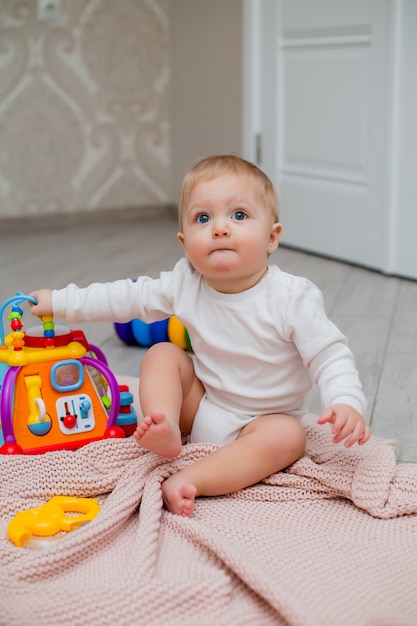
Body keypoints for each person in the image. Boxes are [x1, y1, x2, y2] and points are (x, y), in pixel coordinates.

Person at [30, 154, 371, 517]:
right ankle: (165, 425)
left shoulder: (292, 297)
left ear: (272, 237)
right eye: (202, 218)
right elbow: (125, 297)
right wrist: (61, 301)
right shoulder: (184, 282)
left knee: (289, 438)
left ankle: (193, 479)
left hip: (264, 420)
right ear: (184, 242)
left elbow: (329, 356)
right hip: (205, 404)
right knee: (163, 354)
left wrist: (345, 400)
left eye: (238, 215)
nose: (220, 228)